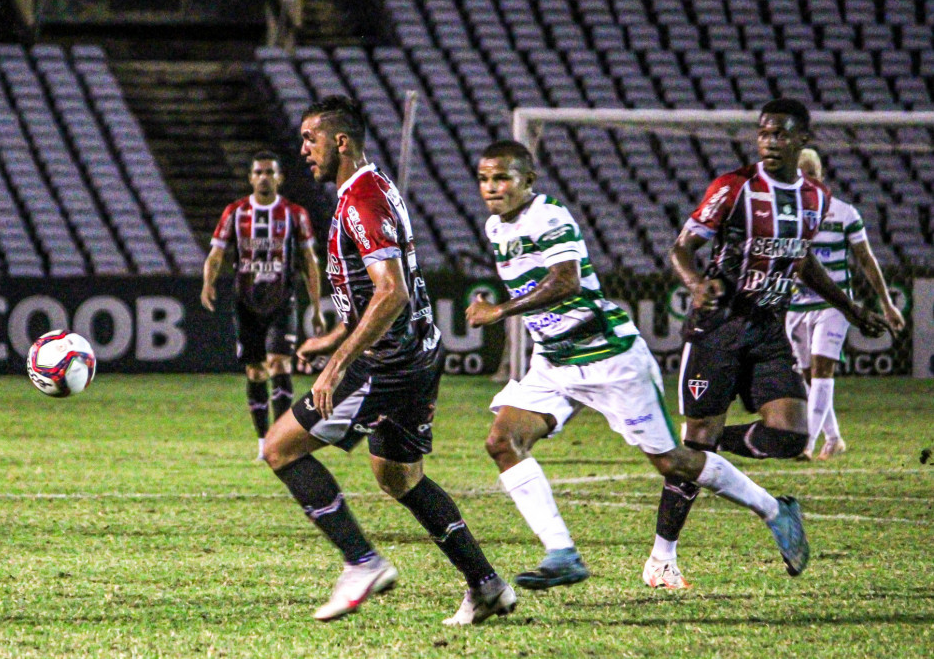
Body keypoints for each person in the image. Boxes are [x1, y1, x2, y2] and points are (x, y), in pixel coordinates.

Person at [466, 139, 815, 595]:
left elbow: (567, 281)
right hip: (555, 362)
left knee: (672, 461)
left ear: (527, 180)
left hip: (609, 357)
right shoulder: (496, 226)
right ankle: (562, 554)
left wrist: (500, 311)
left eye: (502, 178)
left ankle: (774, 509)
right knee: (502, 441)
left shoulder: (548, 217)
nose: (491, 188)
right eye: (484, 179)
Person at [260, 95, 516, 625]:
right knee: (400, 479)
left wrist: (337, 365)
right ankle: (486, 584)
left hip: (387, 360)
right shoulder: (367, 190)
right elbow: (373, 293)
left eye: (312, 138)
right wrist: (333, 339)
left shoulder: (363, 199)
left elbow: (391, 292)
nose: (304, 149)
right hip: (416, 353)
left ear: (341, 142)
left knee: (280, 448)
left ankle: (361, 562)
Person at [643, 99, 891, 589]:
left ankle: (701, 447)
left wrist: (850, 306)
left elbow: (800, 263)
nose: (770, 141)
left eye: (781, 134)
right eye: (764, 133)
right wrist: (695, 283)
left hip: (769, 328)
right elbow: (681, 247)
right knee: (702, 443)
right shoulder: (733, 187)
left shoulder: (814, 200)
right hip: (718, 329)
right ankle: (661, 558)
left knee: (792, 436)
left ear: (803, 141)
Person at [201, 151, 326, 459]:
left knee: (280, 364)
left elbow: (310, 261)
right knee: (256, 372)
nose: (264, 177)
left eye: (269, 172)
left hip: (282, 300)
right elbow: (216, 254)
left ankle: (281, 441)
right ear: (251, 178)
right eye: (258, 172)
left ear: (279, 178)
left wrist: (318, 306)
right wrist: (208, 283)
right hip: (246, 303)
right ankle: (262, 441)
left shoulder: (294, 214)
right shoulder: (235, 212)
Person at [785, 148, 905, 460]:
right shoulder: (788, 214)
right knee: (810, 376)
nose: (806, 178)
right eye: (801, 173)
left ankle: (805, 445)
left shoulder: (843, 213)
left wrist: (886, 303)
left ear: (821, 176)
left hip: (835, 305)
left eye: (812, 172)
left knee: (823, 370)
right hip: (797, 306)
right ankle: (834, 439)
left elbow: (865, 258)